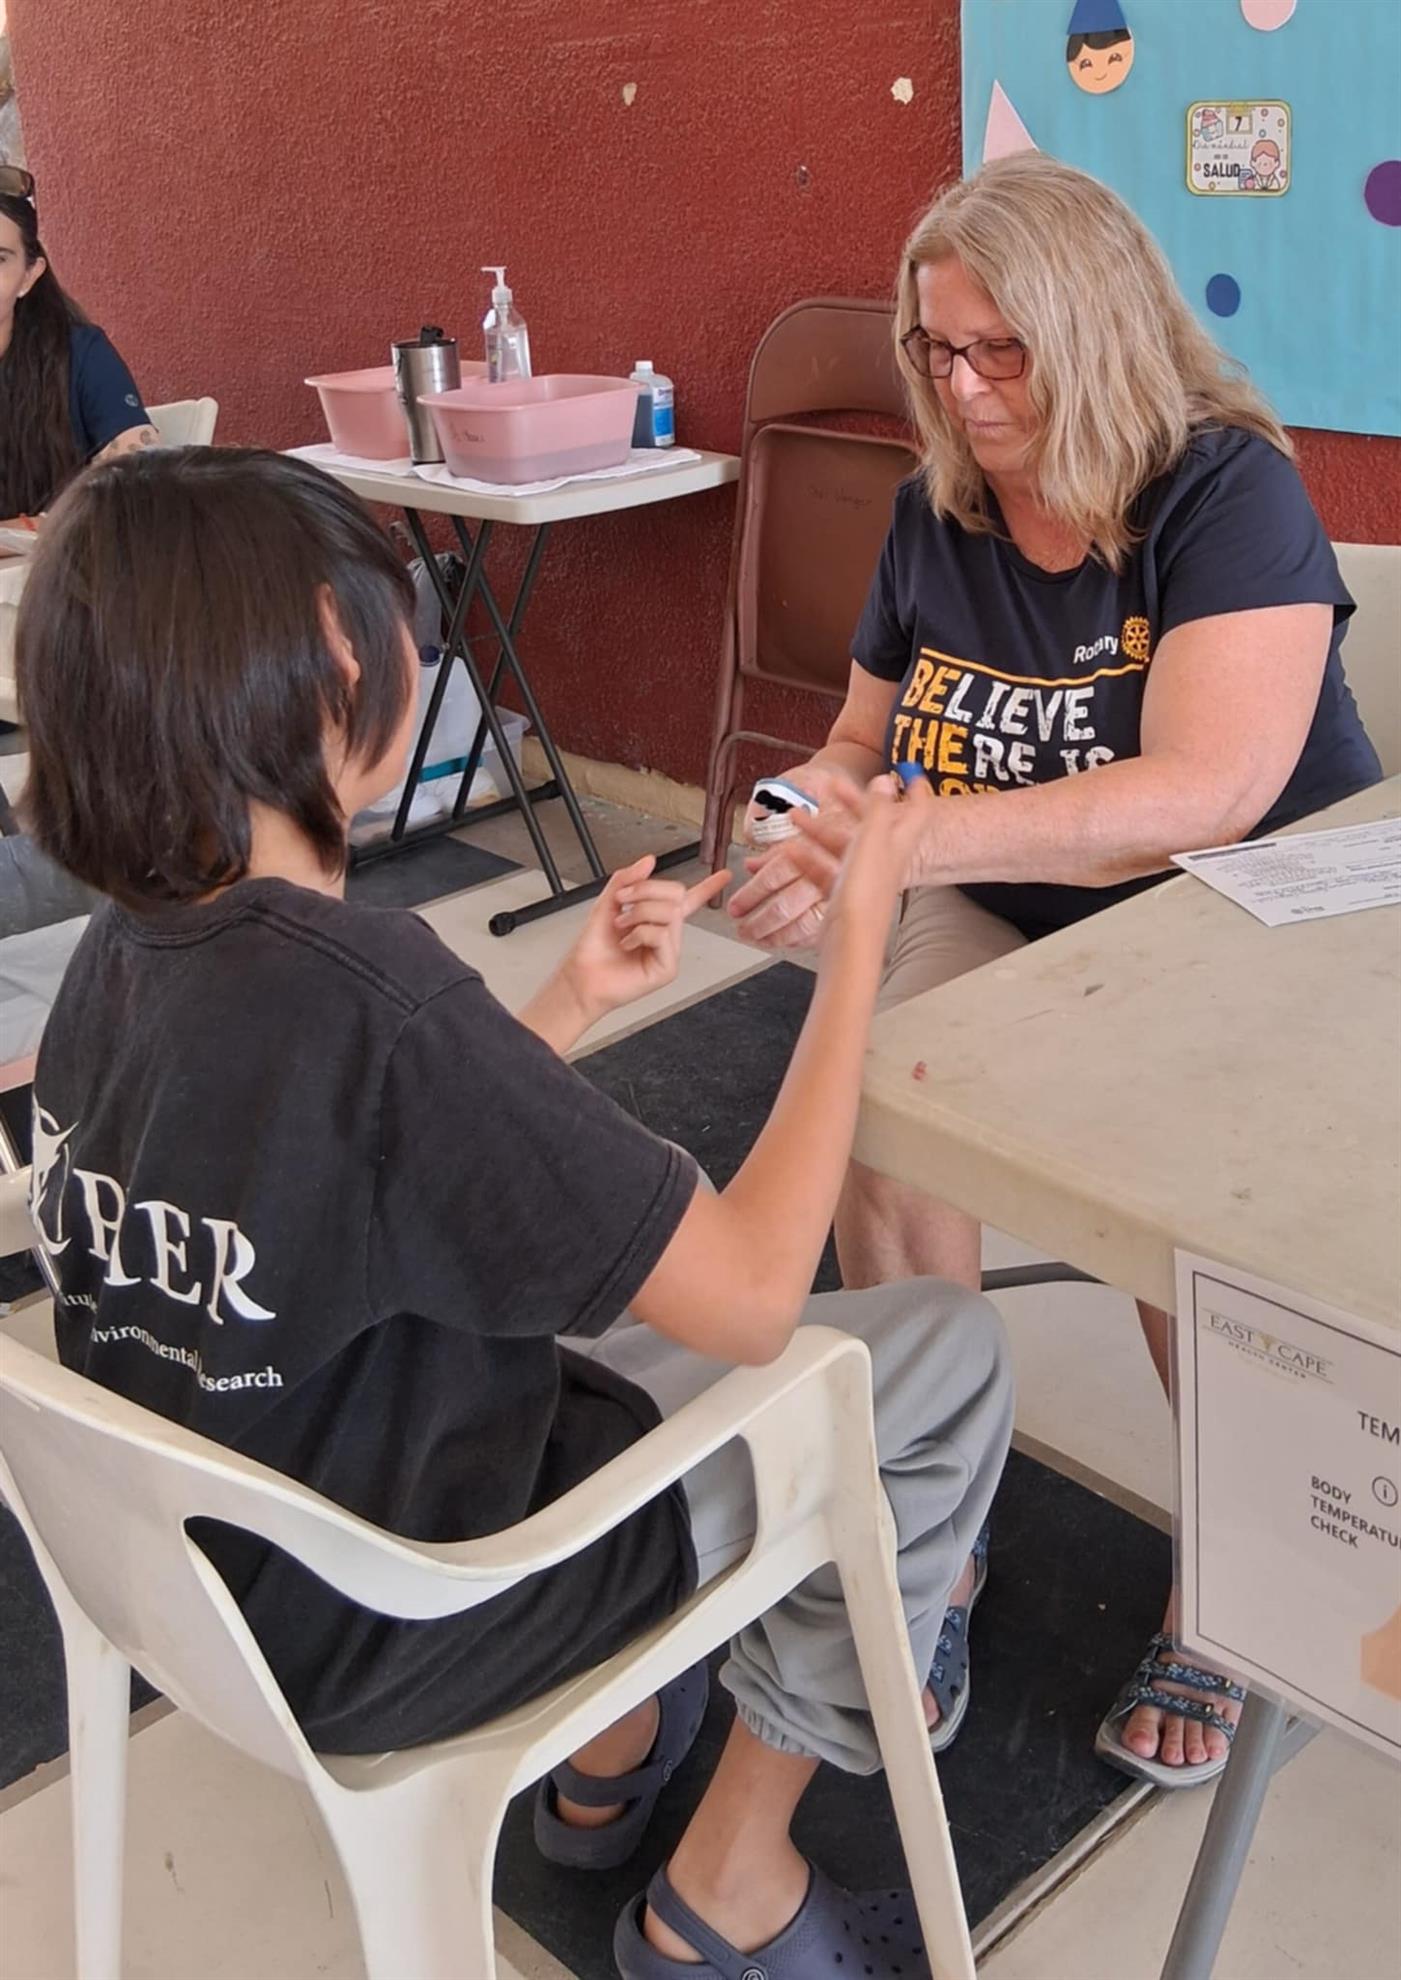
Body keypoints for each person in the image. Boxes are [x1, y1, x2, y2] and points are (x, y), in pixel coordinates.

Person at [17, 448, 1012, 1979]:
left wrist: (562, 1002)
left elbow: (355, 1171)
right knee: (936, 1354)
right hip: (416, 1607)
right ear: (327, 670)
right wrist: (861, 949)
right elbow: (754, 1296)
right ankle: (728, 1886)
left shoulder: (123, 954)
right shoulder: (376, 999)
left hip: (210, 1590)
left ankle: (609, 1760)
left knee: (631, 1271)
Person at [727, 151, 1382, 1791]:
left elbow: (1204, 794)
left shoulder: (1220, 490)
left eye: (999, 351)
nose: (960, 387)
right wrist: (798, 822)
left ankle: (1230, 1582)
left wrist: (898, 846)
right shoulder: (931, 509)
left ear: (1092, 329)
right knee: (874, 1099)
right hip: (1008, 898)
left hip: (1230, 910)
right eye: (934, 349)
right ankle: (935, 1529)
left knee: (1171, 1203)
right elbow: (861, 742)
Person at [0, 170, 158, 526]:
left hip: (63, 557)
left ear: (29, 275)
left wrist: (22, 530)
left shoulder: (80, 354)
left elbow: (138, 481)